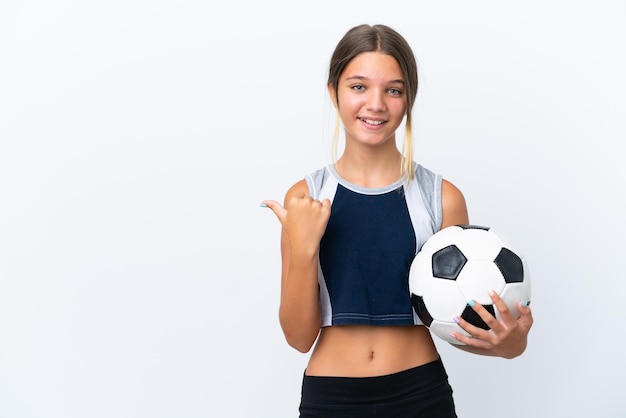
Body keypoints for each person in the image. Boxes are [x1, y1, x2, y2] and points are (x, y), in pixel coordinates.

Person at [261, 23, 533, 418]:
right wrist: (303, 249)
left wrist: (512, 343)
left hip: (420, 395)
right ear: (333, 92)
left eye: (393, 89)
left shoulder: (441, 198)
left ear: (408, 99)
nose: (376, 104)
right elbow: (298, 337)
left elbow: (463, 321)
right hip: (330, 399)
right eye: (358, 86)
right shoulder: (305, 198)